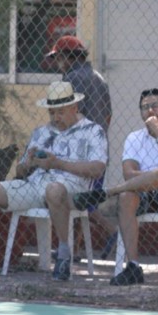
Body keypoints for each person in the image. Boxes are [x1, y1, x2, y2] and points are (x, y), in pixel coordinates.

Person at [0, 81, 107, 281]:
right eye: (52, 113)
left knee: (54, 190)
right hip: (34, 185)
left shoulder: (93, 131)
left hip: (71, 187)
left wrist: (58, 164)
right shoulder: (41, 132)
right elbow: (21, 170)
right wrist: (29, 162)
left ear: (74, 107)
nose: (55, 118)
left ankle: (64, 255)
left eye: (60, 112)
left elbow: (97, 169)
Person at [45, 35, 116, 256]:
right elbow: (108, 115)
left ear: (68, 57)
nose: (57, 63)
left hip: (77, 151)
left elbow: (68, 116)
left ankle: (112, 230)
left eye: (58, 58)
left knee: (77, 201)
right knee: (82, 200)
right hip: (98, 150)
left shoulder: (71, 80)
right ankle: (73, 249)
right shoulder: (98, 78)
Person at [110, 88, 158, 286]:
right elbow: (129, 174)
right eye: (145, 107)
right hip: (142, 194)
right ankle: (133, 266)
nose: (150, 111)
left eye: (155, 105)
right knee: (126, 196)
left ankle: (108, 192)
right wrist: (155, 177)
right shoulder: (134, 138)